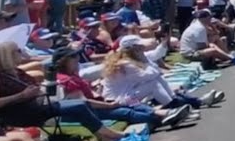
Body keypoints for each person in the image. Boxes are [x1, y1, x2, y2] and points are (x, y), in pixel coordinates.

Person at [0, 42, 124, 141]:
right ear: (7, 56)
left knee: (82, 103)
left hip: (38, 105)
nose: (21, 53)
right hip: (22, 114)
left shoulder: (16, 72)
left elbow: (32, 86)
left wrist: (37, 88)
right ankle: (105, 133)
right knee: (78, 106)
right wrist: (21, 96)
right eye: (17, 51)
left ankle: (102, 134)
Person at [50, 49, 191, 128]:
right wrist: (108, 105)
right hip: (90, 110)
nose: (77, 59)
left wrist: (97, 90)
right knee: (126, 112)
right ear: (64, 61)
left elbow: (87, 94)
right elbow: (83, 103)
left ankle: (169, 114)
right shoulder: (66, 79)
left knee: (135, 104)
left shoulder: (72, 75)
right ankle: (164, 118)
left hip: (98, 103)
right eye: (73, 57)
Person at [100, 36, 221, 110]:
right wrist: (147, 62)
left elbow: (156, 55)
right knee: (154, 82)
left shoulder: (133, 59)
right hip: (119, 100)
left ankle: (190, 101)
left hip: (127, 94)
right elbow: (149, 74)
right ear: (134, 49)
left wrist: (164, 42)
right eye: (140, 46)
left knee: (159, 82)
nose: (143, 47)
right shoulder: (126, 63)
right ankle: (175, 104)